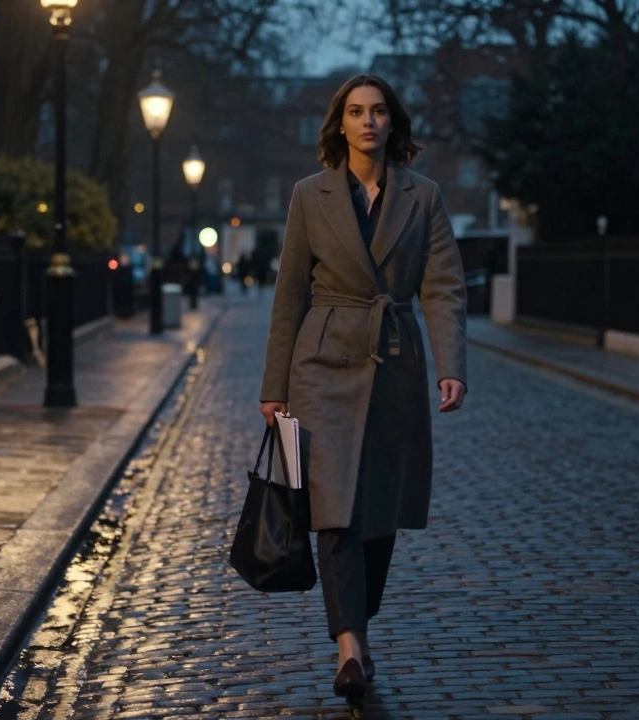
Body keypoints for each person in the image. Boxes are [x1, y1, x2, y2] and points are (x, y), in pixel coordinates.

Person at [258, 74, 468, 704]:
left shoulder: (423, 197)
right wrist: (274, 385)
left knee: (380, 509)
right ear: (340, 124)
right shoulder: (309, 195)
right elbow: (289, 292)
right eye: (356, 111)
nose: (368, 121)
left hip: (394, 358)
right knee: (333, 504)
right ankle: (349, 645)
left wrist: (449, 363)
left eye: (378, 111)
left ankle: (360, 627)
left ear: (392, 122)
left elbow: (443, 286)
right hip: (321, 360)